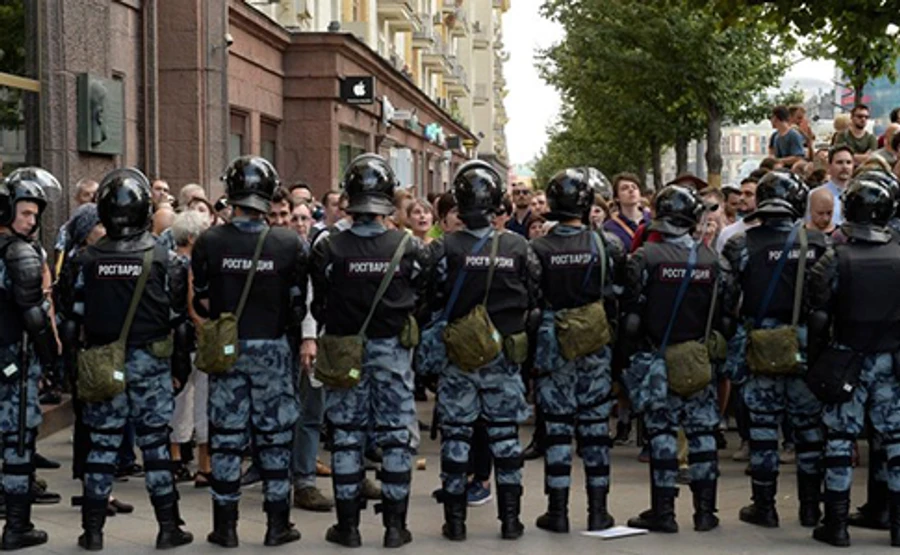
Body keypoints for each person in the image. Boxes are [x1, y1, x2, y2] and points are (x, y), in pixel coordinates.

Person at [68, 168, 193, 550]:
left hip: (103, 360)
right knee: (155, 446)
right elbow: (179, 320)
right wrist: (179, 368)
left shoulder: (85, 260)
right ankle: (168, 527)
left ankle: (92, 532)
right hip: (151, 364)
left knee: (102, 446)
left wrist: (75, 369)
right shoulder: (164, 259)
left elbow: (72, 317)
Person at [311, 154, 428, 548]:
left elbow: (318, 305)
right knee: (396, 436)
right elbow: (421, 299)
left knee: (346, 436)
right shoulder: (407, 246)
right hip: (393, 352)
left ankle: (348, 527)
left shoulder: (329, 247)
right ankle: (396, 526)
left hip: (344, 350)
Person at [191, 156, 307, 548]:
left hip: (228, 347)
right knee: (274, 438)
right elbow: (298, 302)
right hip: (272, 348)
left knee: (226, 437)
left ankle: (225, 527)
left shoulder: (210, 240)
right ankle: (278, 525)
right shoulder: (288, 242)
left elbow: (202, 296)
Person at [428, 160, 541, 541]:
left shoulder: (442, 248)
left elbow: (430, 297)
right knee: (506, 438)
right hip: (503, 356)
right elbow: (534, 294)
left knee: (457, 437)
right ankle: (510, 521)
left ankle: (455, 522)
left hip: (458, 357)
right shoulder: (519, 247)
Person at [720, 171, 828, 530]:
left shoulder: (740, 246)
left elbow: (728, 300)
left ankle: (764, 507)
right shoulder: (819, 244)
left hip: (760, 345)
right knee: (809, 430)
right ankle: (811, 507)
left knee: (764, 430)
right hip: (804, 346)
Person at [622, 185, 725, 534]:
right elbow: (726, 313)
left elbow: (631, 314)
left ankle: (663, 511)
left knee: (663, 433)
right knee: (702, 434)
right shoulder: (712, 260)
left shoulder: (644, 258)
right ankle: (706, 512)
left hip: (657, 357)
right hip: (697, 357)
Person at [807, 176, 900, 548]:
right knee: (896, 441)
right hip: (891, 362)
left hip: (847, 357)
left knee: (839, 441)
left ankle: (837, 523)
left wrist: (815, 360)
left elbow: (817, 316)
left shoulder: (835, 256)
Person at [530, 168, 625, 534]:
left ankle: (557, 512)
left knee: (556, 430)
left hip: (554, 345)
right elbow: (618, 297)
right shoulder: (607, 245)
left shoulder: (538, 248)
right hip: (595, 345)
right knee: (595, 429)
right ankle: (599, 511)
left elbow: (532, 299)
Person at [0, 168, 60, 550]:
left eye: (36, 215)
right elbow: (35, 314)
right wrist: (51, 358)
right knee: (19, 443)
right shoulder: (19, 253)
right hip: (14, 363)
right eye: (25, 213)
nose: (32, 220)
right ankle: (17, 526)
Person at [808, 145, 854, 227]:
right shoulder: (815, 195)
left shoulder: (859, 195)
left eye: (848, 162)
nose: (845, 167)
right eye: (839, 162)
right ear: (829, 166)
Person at [603, 173, 650, 252]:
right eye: (624, 188)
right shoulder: (609, 227)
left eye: (634, 187)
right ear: (617, 198)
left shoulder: (652, 219)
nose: (631, 190)